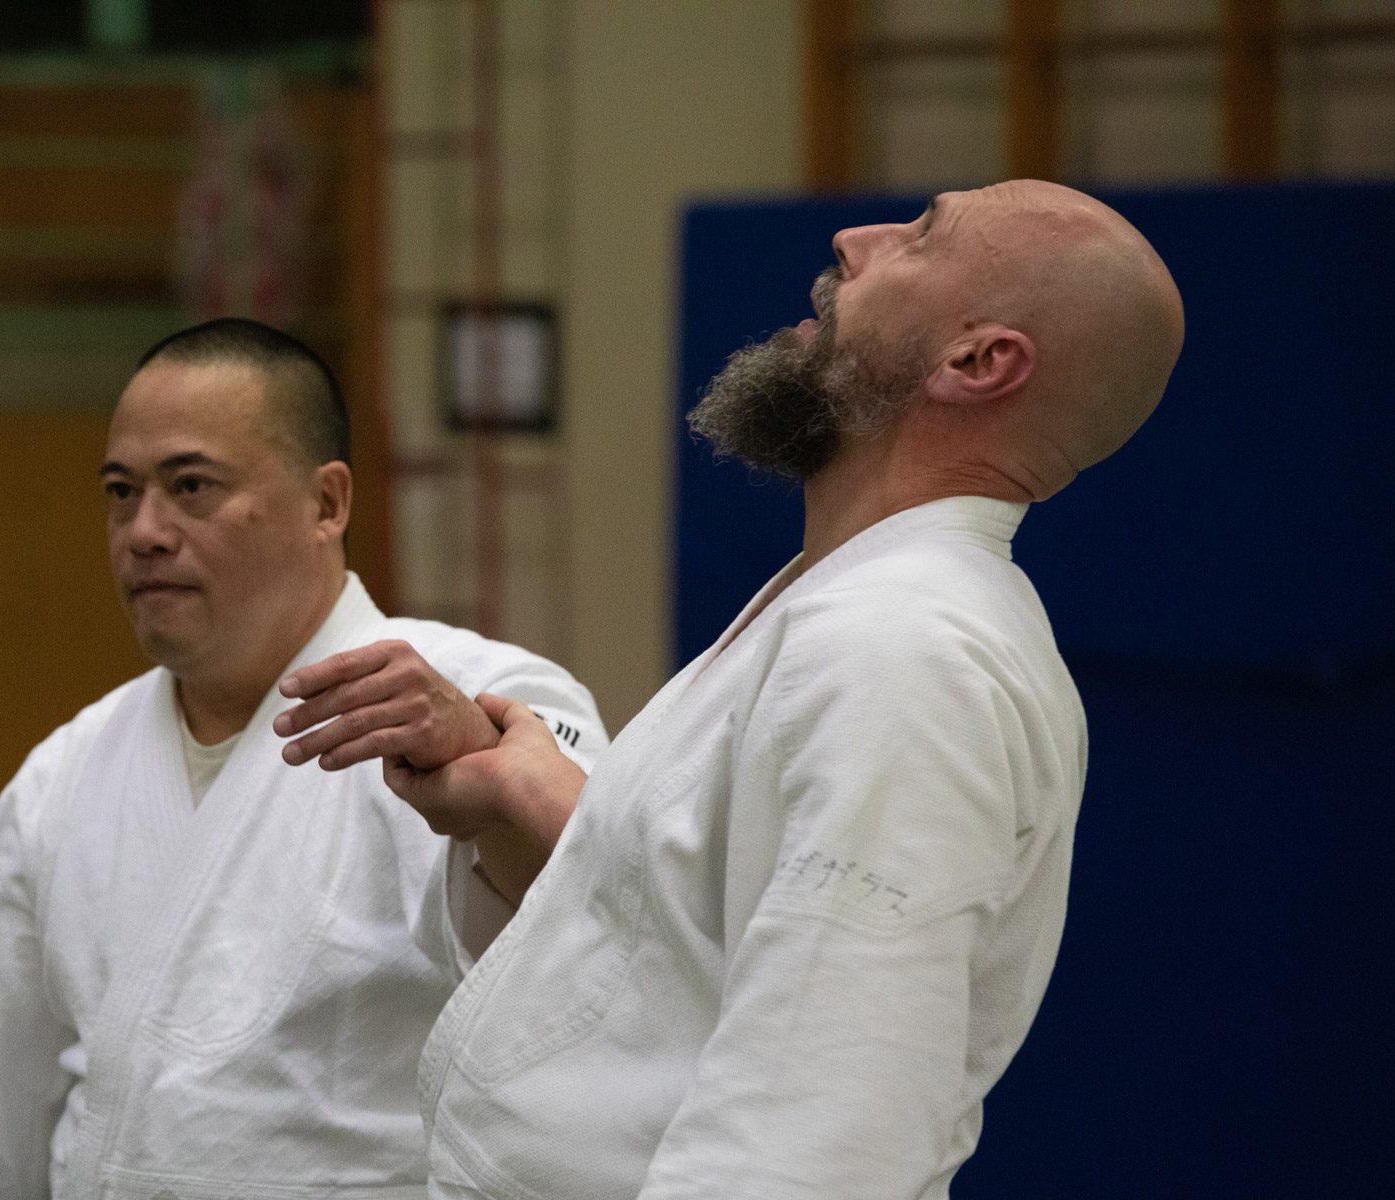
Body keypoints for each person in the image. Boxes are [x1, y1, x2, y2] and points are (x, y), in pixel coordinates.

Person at [277, 181, 1184, 1197]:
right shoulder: (856, 604)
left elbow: (819, 1133)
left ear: (976, 363)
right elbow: (694, 955)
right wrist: (525, 793)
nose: (855, 238)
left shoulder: (908, 651)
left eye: (923, 235)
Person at [0, 318, 607, 1199]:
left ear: (327, 503)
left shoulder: (480, 700)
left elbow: (606, 951)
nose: (144, 531)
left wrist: (485, 774)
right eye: (121, 492)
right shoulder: (63, 777)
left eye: (191, 486)